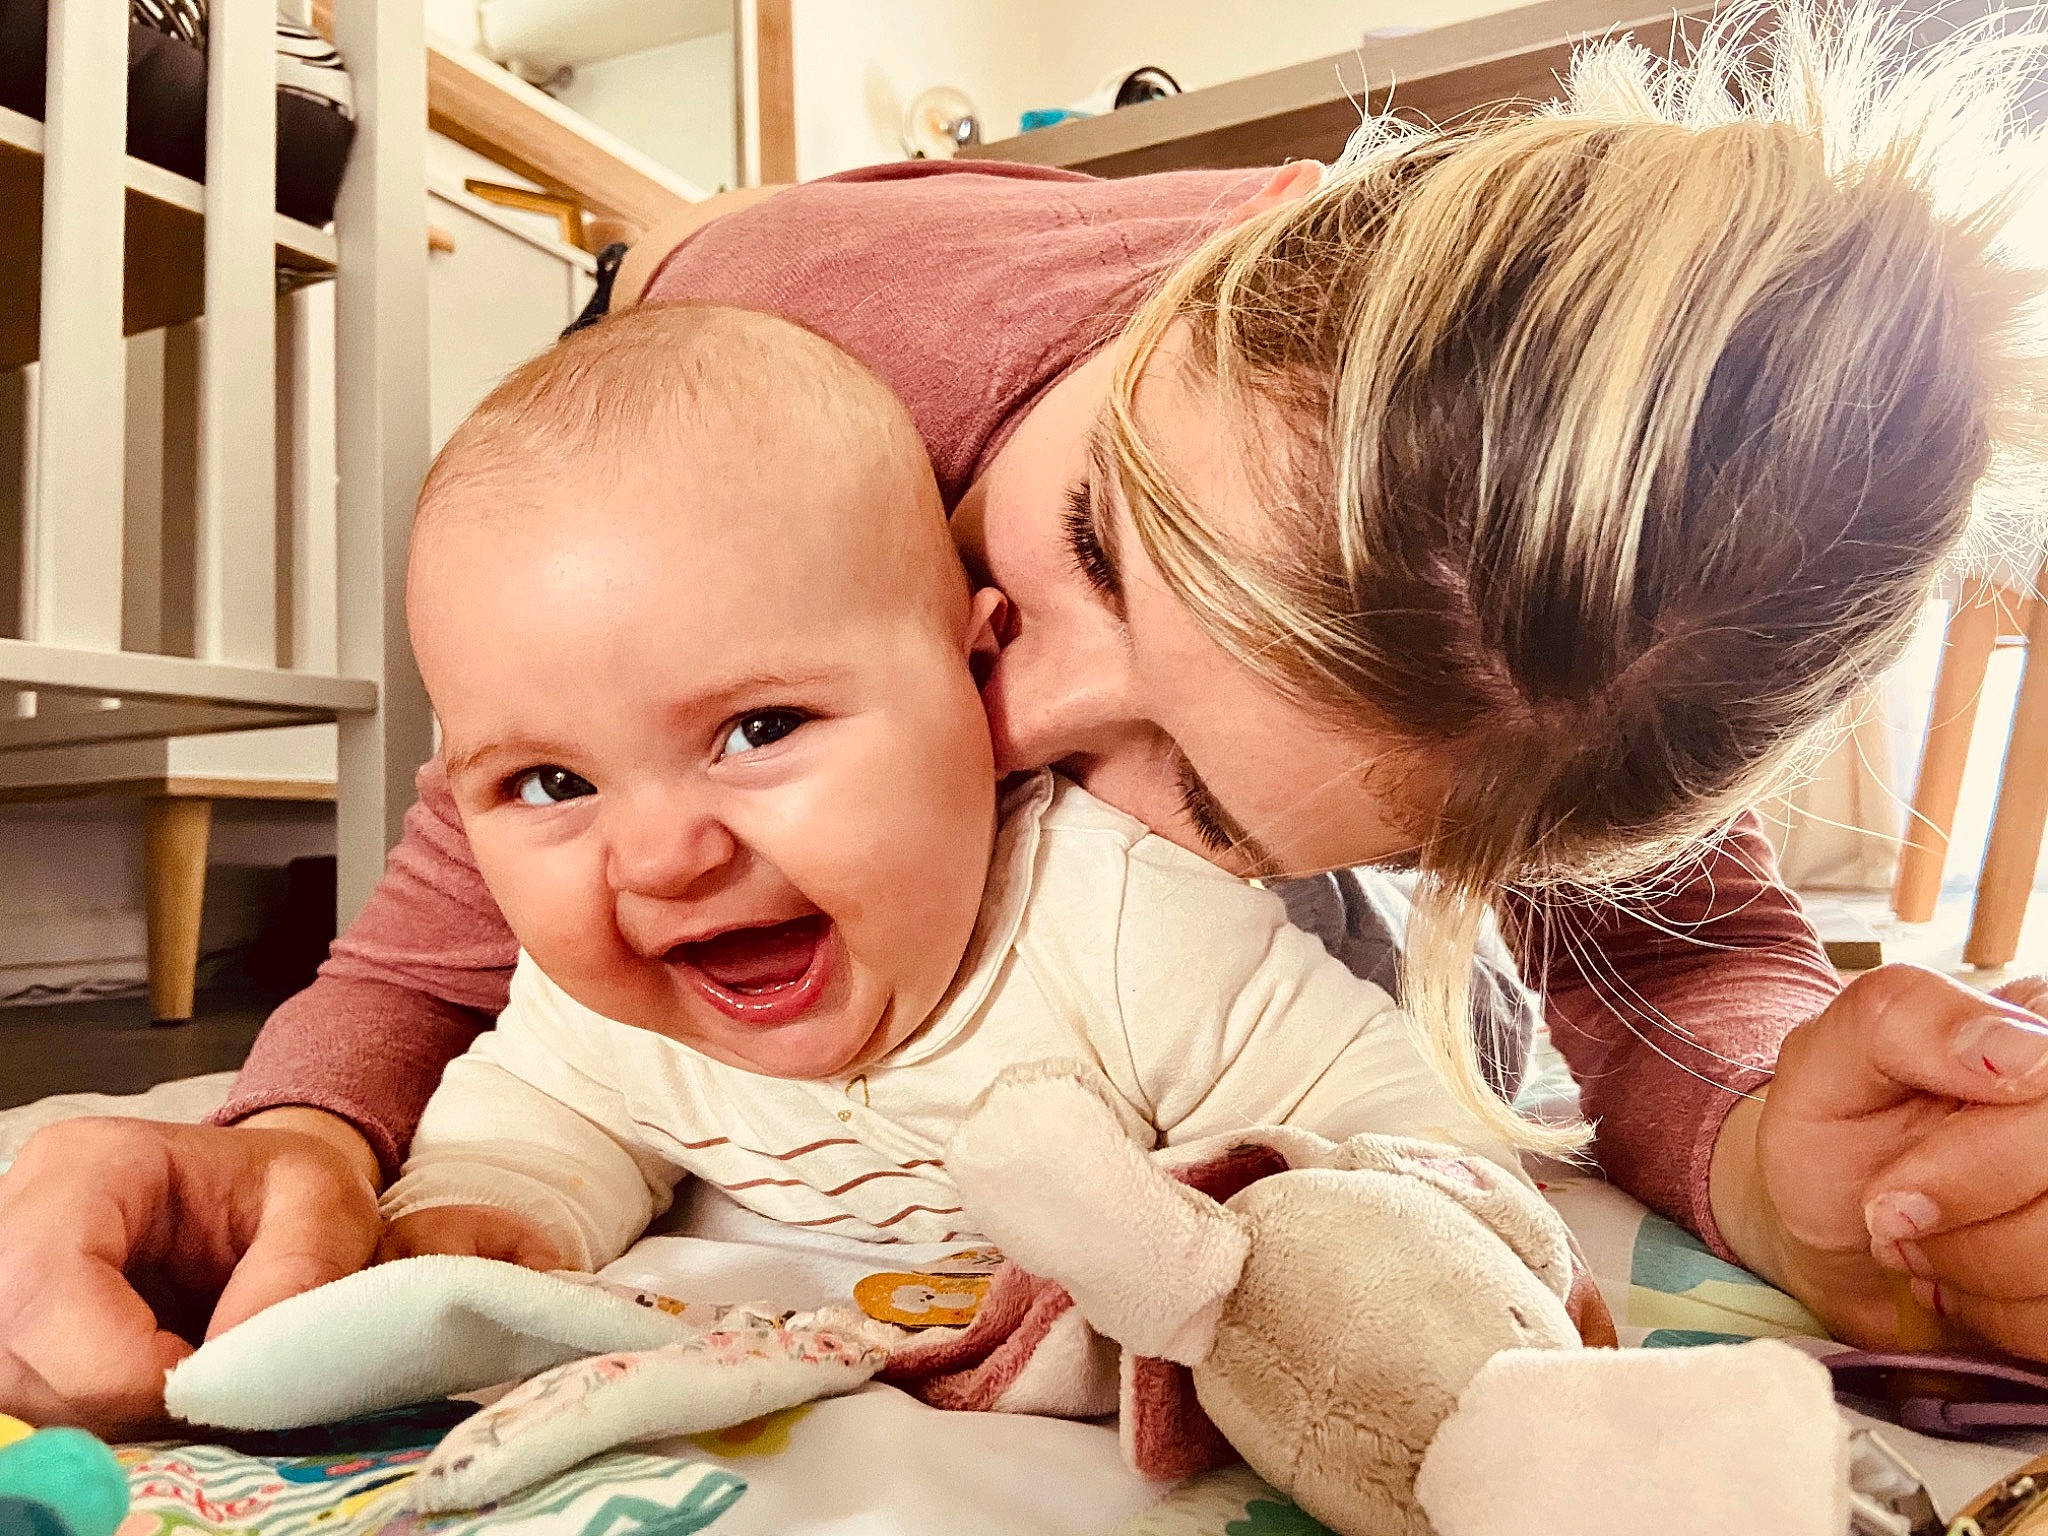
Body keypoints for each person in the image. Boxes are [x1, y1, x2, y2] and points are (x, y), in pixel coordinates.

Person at [3, 4, 2045, 1433]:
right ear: (1252, 246)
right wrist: (289, 1132)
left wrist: (1794, 1167)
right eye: (1090, 535)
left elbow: (1679, 967)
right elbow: (474, 880)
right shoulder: (806, 317)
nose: (1010, 698)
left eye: (1206, 801)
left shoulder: (1568, 645)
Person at [375, 301, 1535, 1278]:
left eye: (758, 728)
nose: (660, 855)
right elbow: (536, 1124)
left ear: (970, 671)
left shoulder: (1126, 925)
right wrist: (483, 1226)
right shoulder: (599, 993)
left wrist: (1399, 1263)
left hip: (1407, 958)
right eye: (549, 781)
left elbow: (1392, 1128)